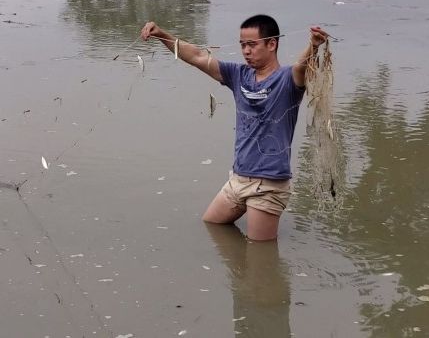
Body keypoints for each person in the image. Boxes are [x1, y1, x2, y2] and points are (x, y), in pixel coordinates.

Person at [139, 15, 328, 241]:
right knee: (212, 224)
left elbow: (301, 68)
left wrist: (313, 47)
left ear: (271, 44)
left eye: (252, 45)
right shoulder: (238, 75)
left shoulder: (287, 80)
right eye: (242, 45)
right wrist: (162, 35)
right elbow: (198, 56)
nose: (246, 51)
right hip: (238, 179)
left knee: (260, 255)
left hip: (268, 184)